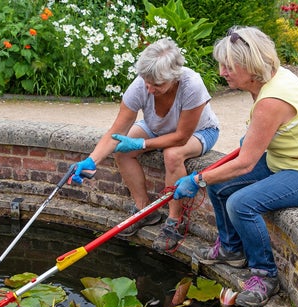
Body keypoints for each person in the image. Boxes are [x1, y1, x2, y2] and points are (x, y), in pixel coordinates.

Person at [173, 26, 298, 307]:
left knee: (241, 204)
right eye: (221, 64)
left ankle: (265, 275)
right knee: (219, 184)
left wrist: (198, 178)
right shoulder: (267, 82)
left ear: (251, 66)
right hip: (283, 160)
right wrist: (211, 178)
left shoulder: (272, 100)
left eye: (228, 66)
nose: (222, 71)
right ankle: (231, 249)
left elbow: (245, 163)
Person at [70, 38, 220, 252]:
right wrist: (91, 161)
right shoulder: (142, 84)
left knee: (172, 154)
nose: (149, 89)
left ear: (174, 77)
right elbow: (116, 132)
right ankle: (144, 211)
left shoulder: (191, 85)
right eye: (147, 82)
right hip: (157, 128)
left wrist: (141, 143)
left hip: (199, 132)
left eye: (157, 84)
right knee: (122, 150)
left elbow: (181, 137)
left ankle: (175, 221)